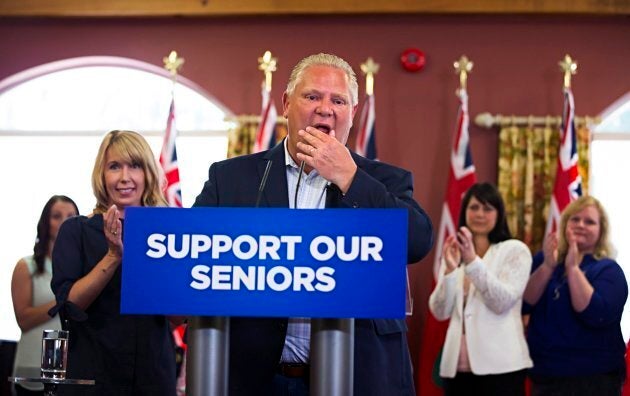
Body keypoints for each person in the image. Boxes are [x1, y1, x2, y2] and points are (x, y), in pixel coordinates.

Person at [193, 53, 434, 396]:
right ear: (287, 104)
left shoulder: (384, 180)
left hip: (356, 375)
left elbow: (416, 242)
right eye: (312, 96)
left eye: (338, 100)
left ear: (352, 112)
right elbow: (192, 254)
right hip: (257, 377)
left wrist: (349, 178)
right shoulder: (231, 178)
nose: (325, 108)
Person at [50, 130, 176, 395]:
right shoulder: (76, 231)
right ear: (101, 175)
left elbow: (178, 317)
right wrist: (113, 255)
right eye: (114, 167)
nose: (124, 177)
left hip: (151, 378)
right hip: (92, 378)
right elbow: (71, 305)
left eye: (135, 166)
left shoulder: (168, 234)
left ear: (148, 174)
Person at [428, 182, 533, 395]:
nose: (480, 214)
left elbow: (502, 302)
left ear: (499, 214)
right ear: (465, 212)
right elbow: (440, 311)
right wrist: (449, 271)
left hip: (501, 368)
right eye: (474, 207)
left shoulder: (514, 250)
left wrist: (472, 261)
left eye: (488, 208)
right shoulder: (455, 252)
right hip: (457, 368)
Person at [523, 196, 627, 396]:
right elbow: (524, 304)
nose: (581, 225)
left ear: (601, 230)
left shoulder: (608, 270)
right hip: (545, 377)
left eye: (589, 222)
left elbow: (594, 313)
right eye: (575, 219)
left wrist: (572, 268)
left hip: (593, 380)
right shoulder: (545, 260)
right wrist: (547, 267)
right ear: (564, 224)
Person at [11, 195, 79, 395]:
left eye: (71, 216)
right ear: (45, 222)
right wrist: (64, 301)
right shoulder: (26, 266)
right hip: (31, 369)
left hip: (71, 370)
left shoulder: (82, 270)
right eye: (56, 216)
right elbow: (23, 319)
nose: (64, 221)